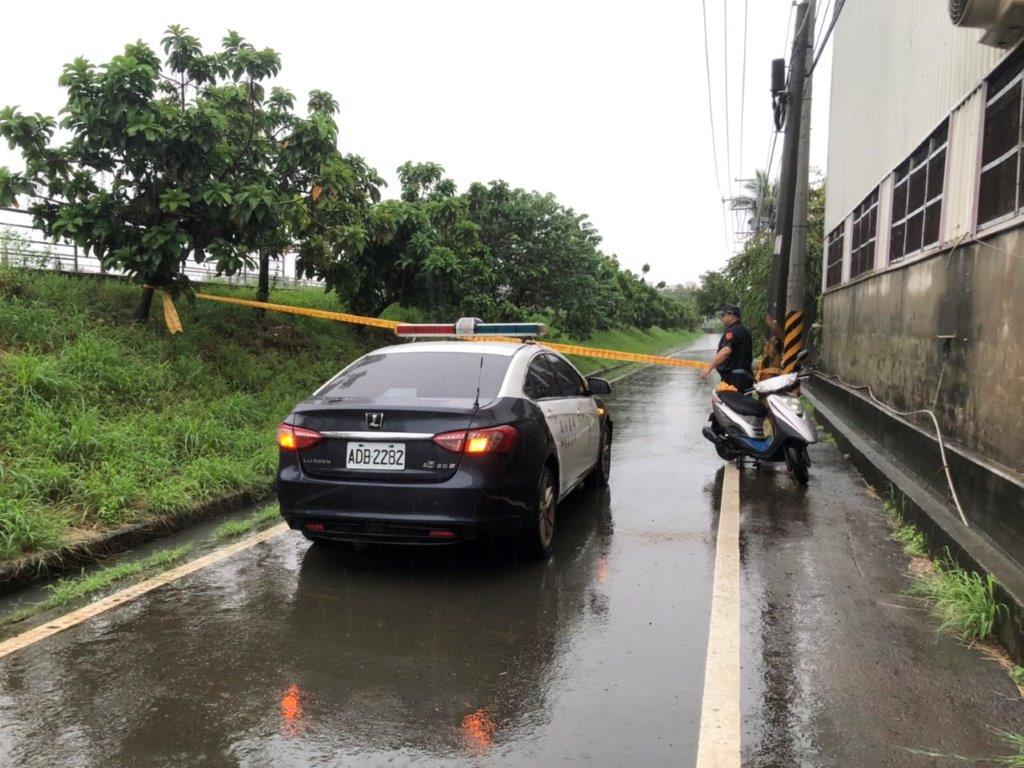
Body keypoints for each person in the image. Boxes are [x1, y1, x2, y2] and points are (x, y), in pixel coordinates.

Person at [700, 303, 754, 391]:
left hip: (735, 378)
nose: (722, 318)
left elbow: (726, 351)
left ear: (731, 315)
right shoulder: (742, 329)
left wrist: (709, 368)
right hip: (743, 376)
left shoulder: (732, 331)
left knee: (732, 402)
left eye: (723, 315)